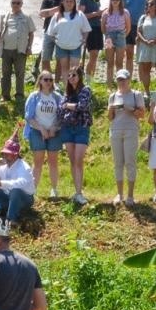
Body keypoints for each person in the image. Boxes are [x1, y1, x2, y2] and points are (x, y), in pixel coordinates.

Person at [57, 65, 95, 205]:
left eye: (74, 75)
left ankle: (80, 193)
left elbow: (82, 106)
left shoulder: (86, 90)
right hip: (67, 129)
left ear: (79, 77)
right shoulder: (66, 94)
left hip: (81, 128)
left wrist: (68, 106)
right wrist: (67, 106)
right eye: (69, 75)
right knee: (73, 160)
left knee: (79, 160)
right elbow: (60, 110)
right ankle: (77, 191)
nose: (71, 78)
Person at [107, 69, 146, 206]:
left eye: (123, 79)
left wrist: (130, 109)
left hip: (131, 130)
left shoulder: (136, 95)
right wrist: (111, 109)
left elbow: (142, 115)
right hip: (115, 131)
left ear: (129, 80)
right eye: (119, 79)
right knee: (118, 163)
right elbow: (110, 118)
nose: (121, 82)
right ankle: (120, 194)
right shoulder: (112, 96)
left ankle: (130, 195)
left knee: (130, 161)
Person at [0, 135, 35, 227]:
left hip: (24, 200)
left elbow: (20, 183)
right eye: (4, 153)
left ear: (15, 155)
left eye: (7, 154)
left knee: (16, 191)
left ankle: (11, 220)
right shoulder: (2, 166)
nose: (4, 156)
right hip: (6, 198)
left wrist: (1, 183)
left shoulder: (24, 167)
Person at [24, 72, 63, 197]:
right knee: (38, 161)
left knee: (53, 161)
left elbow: (61, 116)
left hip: (54, 132)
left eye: (51, 80)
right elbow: (29, 117)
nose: (48, 82)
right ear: (40, 81)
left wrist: (54, 128)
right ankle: (32, 190)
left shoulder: (57, 97)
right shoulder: (34, 96)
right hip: (37, 131)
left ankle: (54, 189)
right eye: (46, 79)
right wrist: (41, 128)